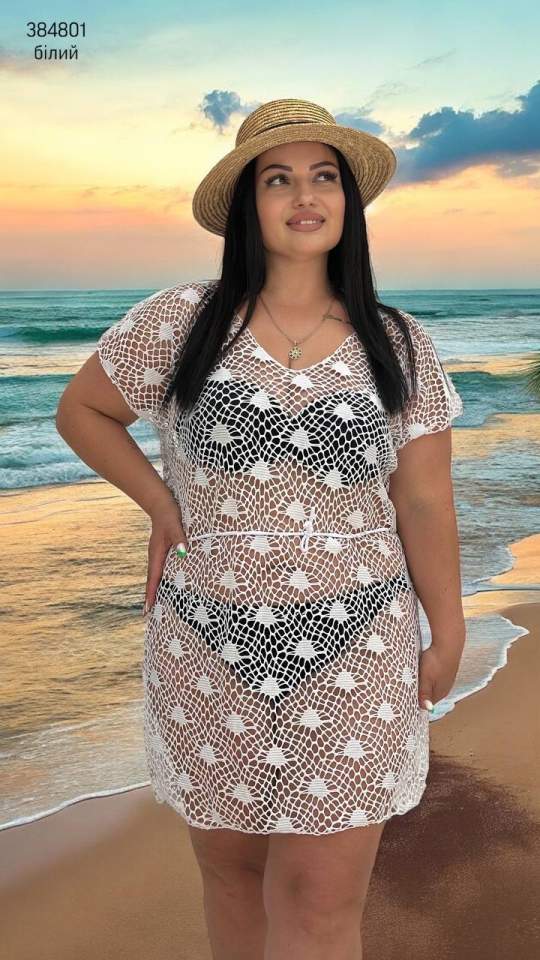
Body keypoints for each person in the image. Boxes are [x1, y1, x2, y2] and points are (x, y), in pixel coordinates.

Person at [56, 98, 466, 960]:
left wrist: (450, 627)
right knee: (233, 876)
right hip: (204, 642)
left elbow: (426, 501)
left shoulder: (398, 343)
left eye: (324, 178)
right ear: (248, 205)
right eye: (278, 180)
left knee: (320, 901)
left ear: (348, 203)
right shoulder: (179, 321)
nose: (303, 197)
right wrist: (161, 504)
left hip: (360, 640)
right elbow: (83, 411)